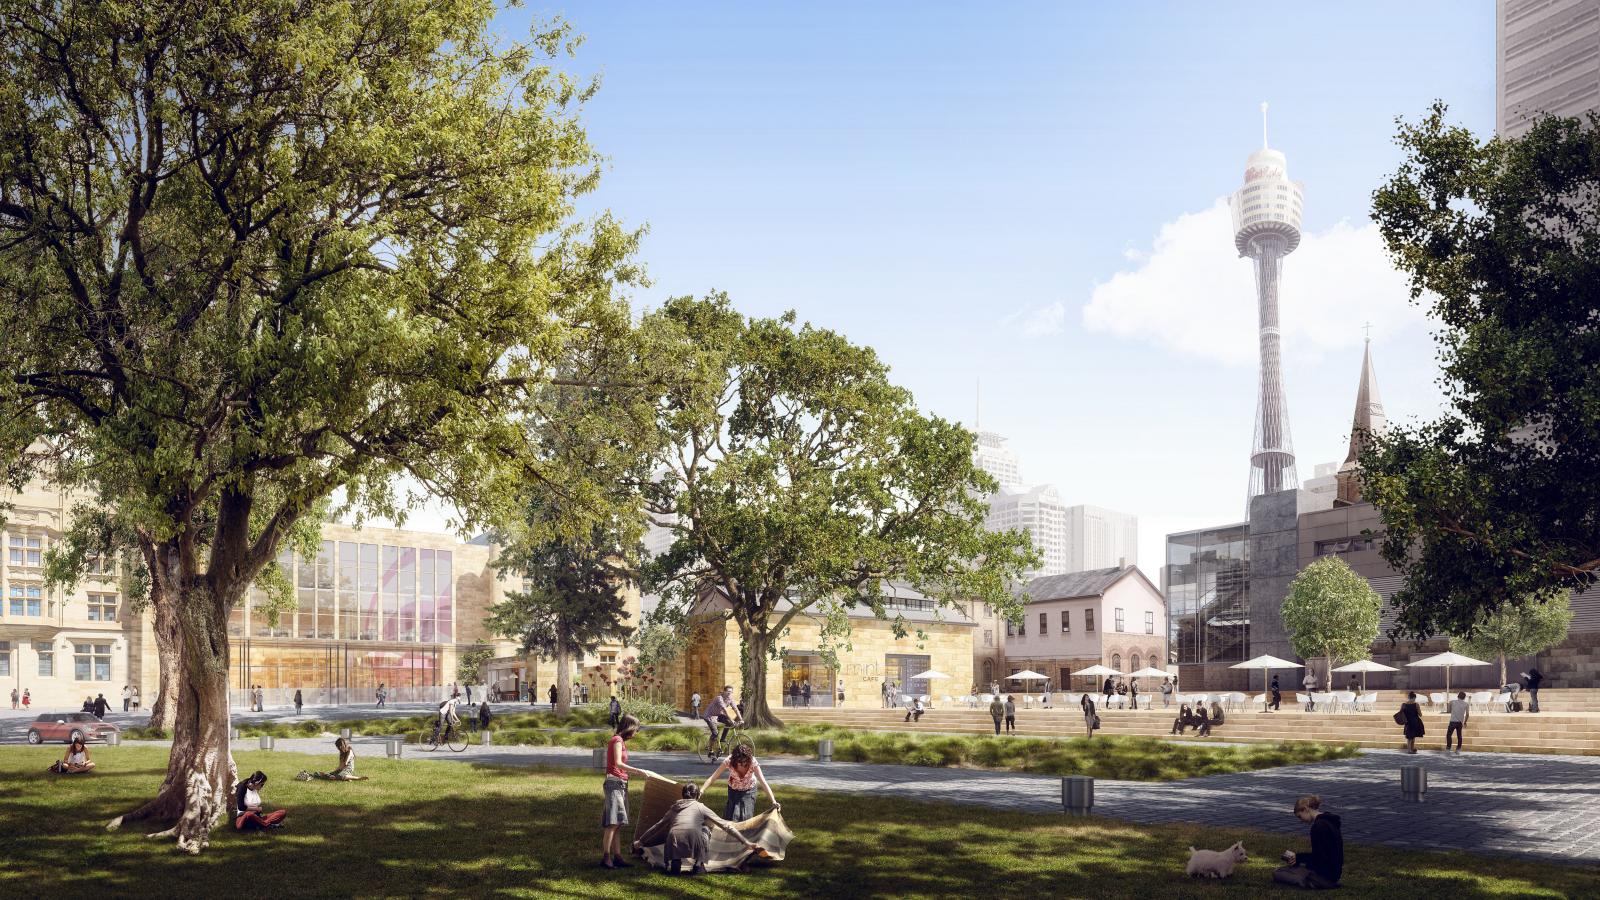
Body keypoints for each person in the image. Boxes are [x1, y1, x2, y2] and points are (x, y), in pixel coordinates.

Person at [631, 783, 757, 876]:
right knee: (706, 829)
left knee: (674, 831)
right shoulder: (700, 807)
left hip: (673, 840)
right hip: (695, 839)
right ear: (697, 796)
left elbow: (657, 827)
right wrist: (746, 842)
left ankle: (676, 861)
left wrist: (640, 842)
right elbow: (725, 825)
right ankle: (698, 864)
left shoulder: (674, 808)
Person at [601, 714, 657, 869]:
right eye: (636, 730)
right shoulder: (617, 740)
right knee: (612, 822)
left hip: (621, 783)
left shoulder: (620, 741)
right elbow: (618, 763)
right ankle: (606, 858)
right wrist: (639, 771)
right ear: (629, 728)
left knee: (617, 823)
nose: (636, 733)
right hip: (614, 784)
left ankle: (617, 857)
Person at [1272, 794, 1343, 889]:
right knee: (1290, 869)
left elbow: (1319, 859)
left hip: (1324, 877)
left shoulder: (1318, 827)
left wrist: (1299, 858)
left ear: (1305, 809)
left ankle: (1310, 882)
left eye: (1300, 817)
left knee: (1278, 873)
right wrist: (1299, 859)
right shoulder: (1330, 821)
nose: (1301, 821)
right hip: (1334, 874)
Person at [701, 742, 779, 823]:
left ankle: (744, 834)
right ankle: (730, 835)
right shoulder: (729, 761)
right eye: (740, 762)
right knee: (731, 818)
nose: (742, 764)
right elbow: (713, 777)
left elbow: (763, 782)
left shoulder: (753, 762)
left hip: (749, 790)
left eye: (745, 762)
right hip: (733, 790)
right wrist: (701, 790)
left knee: (745, 817)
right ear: (735, 760)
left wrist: (773, 801)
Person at [297, 737, 369, 781]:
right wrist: (333, 772)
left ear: (344, 744)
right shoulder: (341, 753)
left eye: (341, 746)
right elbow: (340, 765)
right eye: (338, 747)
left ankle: (358, 778)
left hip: (348, 769)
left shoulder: (349, 751)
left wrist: (336, 772)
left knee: (339, 776)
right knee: (329, 776)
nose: (340, 748)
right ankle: (344, 779)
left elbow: (345, 764)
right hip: (342, 769)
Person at [703, 686, 743, 759]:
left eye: (731, 692)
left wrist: (741, 719)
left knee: (729, 723)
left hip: (718, 715)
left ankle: (723, 739)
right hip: (709, 716)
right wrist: (732, 719)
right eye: (728, 691)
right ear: (724, 691)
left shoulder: (730, 698)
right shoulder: (719, 698)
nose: (729, 693)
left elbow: (736, 709)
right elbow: (724, 710)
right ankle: (710, 750)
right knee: (715, 733)